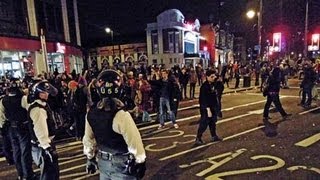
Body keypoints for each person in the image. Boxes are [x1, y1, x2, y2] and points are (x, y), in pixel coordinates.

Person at [83, 69, 146, 179]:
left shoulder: (91, 112)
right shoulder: (121, 115)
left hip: (103, 160)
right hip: (121, 163)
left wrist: (90, 157)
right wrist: (140, 161)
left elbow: (88, 139)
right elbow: (134, 140)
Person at [0, 78, 36, 179]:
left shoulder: (3, 100)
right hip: (23, 127)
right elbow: (29, 110)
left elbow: (1, 116)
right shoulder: (23, 98)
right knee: (25, 152)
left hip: (12, 127)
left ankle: (20, 174)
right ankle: (28, 174)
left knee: (16, 151)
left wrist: (3, 127)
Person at [27, 80, 60, 180]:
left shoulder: (41, 106)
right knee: (48, 174)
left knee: (51, 173)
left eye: (46, 92)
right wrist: (47, 148)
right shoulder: (38, 109)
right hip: (42, 147)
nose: (46, 95)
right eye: (43, 92)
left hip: (43, 145)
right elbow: (40, 130)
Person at [195, 70, 222, 145]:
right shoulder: (204, 86)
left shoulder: (214, 84)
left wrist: (219, 80)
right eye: (212, 77)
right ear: (207, 77)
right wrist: (207, 109)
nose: (214, 78)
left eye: (214, 76)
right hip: (206, 108)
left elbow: (220, 89)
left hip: (213, 107)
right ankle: (198, 138)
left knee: (213, 123)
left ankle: (214, 136)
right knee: (204, 123)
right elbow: (203, 99)